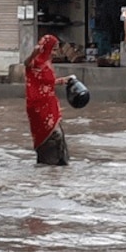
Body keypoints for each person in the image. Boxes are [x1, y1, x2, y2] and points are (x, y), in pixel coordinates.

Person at [25, 34, 76, 165]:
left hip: (50, 105)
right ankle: (48, 166)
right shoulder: (36, 62)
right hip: (38, 107)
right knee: (50, 136)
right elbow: (26, 64)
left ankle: (57, 167)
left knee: (58, 136)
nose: (55, 53)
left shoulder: (48, 63)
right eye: (53, 49)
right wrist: (33, 53)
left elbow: (48, 83)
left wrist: (64, 80)